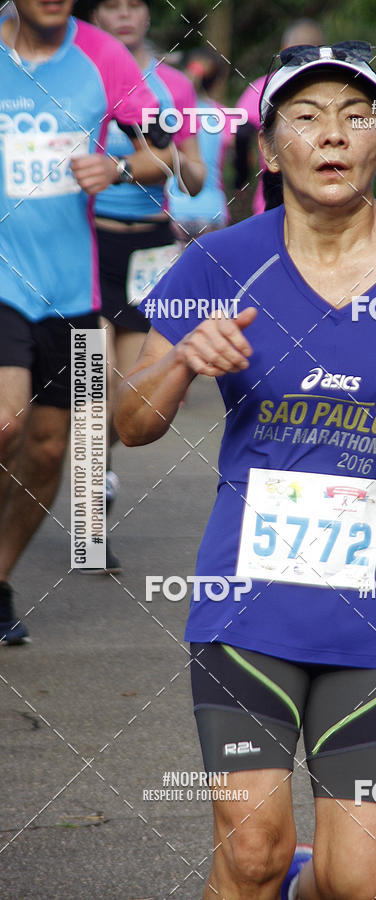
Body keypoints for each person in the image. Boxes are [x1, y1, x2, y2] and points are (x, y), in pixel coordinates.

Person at [115, 42, 376, 899]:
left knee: (358, 883)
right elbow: (129, 422)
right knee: (248, 853)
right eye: (308, 117)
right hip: (248, 601)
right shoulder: (216, 262)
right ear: (270, 145)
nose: (334, 136)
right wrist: (179, 363)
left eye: (358, 118)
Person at [0, 0, 175, 644]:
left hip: (73, 289)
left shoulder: (105, 57)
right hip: (1, 277)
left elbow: (172, 155)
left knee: (47, 450)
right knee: (5, 421)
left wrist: (121, 167)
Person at [88, 0, 205, 571]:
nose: (124, 15)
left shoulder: (175, 86)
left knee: (131, 394)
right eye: (112, 5)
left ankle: (101, 471)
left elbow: (196, 174)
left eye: (134, 4)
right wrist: (139, 160)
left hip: (153, 247)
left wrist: (172, 153)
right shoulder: (82, 79)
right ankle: (89, 526)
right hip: (87, 242)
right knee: (95, 382)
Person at [234, 19, 324, 216]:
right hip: (325, 199)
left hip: (273, 201)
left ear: (284, 48)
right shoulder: (332, 88)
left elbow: (241, 133)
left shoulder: (264, 86)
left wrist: (240, 180)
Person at [168, 47, 234, 244]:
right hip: (212, 210)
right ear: (216, 81)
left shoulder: (170, 112)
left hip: (174, 209)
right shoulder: (223, 116)